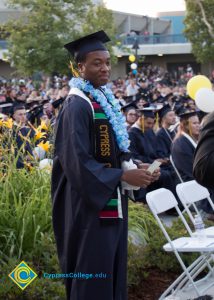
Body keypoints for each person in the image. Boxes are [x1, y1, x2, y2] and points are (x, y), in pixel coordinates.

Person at [51, 30, 160, 300]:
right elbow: (78, 163)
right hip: (87, 208)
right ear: (80, 67)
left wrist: (134, 168)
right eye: (97, 63)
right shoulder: (77, 105)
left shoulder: (101, 99)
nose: (105, 68)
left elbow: (113, 149)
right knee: (93, 275)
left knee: (110, 271)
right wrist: (123, 178)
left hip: (108, 201)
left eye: (107, 62)